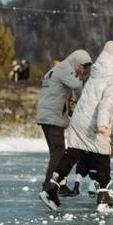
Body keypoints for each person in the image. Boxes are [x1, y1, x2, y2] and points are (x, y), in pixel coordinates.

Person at [40, 41, 113, 212]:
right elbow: (105, 103)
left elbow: (94, 98)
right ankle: (103, 196)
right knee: (103, 155)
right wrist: (103, 123)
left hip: (80, 119)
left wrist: (112, 111)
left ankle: (52, 187)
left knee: (73, 153)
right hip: (94, 122)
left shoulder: (97, 73)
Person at [35, 49, 92, 198]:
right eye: (83, 67)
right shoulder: (65, 69)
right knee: (58, 151)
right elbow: (77, 86)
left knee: (56, 151)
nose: (83, 71)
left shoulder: (60, 69)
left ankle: (59, 184)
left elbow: (67, 92)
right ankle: (50, 185)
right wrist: (86, 101)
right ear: (77, 63)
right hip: (52, 116)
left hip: (48, 115)